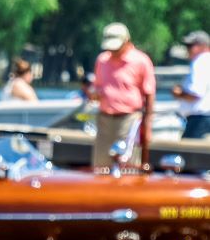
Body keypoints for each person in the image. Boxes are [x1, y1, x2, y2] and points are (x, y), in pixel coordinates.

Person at [88, 22, 156, 169]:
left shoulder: (141, 61)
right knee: (101, 164)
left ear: (126, 41)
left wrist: (148, 124)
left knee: (127, 164)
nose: (113, 51)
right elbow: (97, 86)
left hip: (129, 119)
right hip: (104, 118)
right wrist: (95, 94)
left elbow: (149, 94)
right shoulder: (102, 60)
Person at [170, 31, 210, 141]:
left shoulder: (200, 61)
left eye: (190, 46)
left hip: (200, 120)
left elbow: (195, 93)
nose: (187, 49)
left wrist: (179, 93)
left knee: (188, 155)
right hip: (203, 120)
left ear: (202, 46)